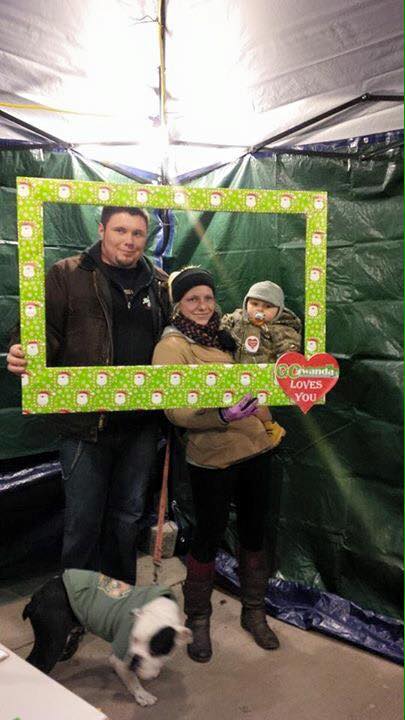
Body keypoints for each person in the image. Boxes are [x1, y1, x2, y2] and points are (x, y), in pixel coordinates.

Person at [7, 206, 169, 585]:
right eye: (120, 230)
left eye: (138, 233)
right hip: (85, 425)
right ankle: (75, 605)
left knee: (127, 518)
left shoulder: (160, 283)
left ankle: (117, 600)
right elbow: (38, 330)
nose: (129, 241)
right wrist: (24, 350)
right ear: (101, 230)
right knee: (82, 522)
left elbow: (174, 339)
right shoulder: (67, 274)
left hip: (141, 425)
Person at [152, 266, 280, 663]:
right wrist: (222, 416)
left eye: (207, 297)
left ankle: (254, 611)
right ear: (179, 304)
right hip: (212, 458)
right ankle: (198, 619)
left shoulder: (225, 336)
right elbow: (175, 410)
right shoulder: (172, 346)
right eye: (193, 298)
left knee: (254, 532)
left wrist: (267, 417)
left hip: (255, 449)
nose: (203, 305)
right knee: (208, 534)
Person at [221, 280, 302, 448]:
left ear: (278, 310)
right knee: (235, 404)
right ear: (246, 303)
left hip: (261, 376)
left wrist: (287, 356)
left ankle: (270, 427)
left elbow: (289, 346)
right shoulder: (237, 318)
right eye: (254, 304)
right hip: (235, 371)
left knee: (258, 405)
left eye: (268, 306)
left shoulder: (280, 328)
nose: (259, 310)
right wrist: (223, 333)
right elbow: (224, 322)